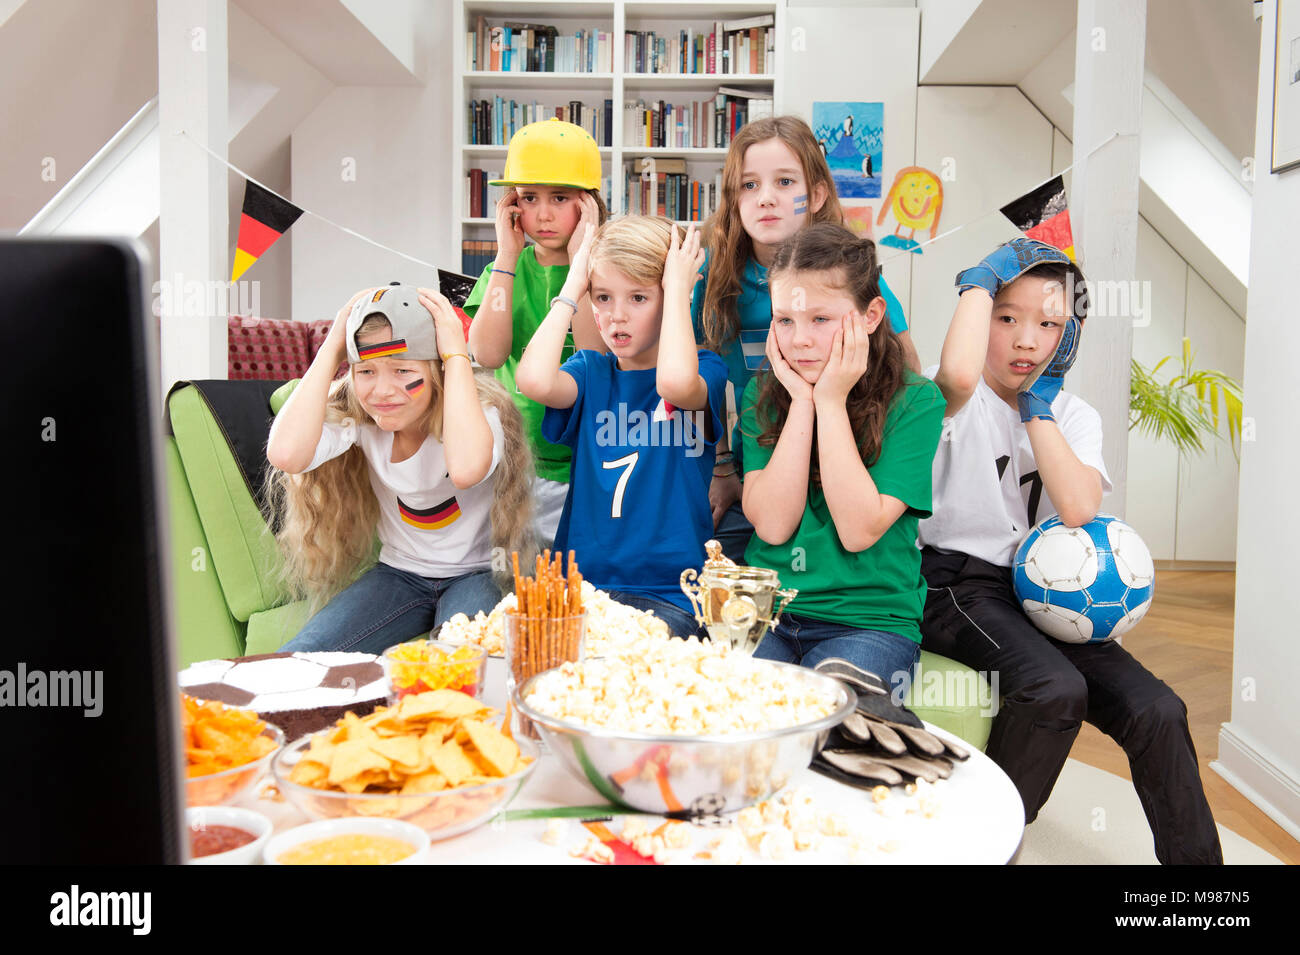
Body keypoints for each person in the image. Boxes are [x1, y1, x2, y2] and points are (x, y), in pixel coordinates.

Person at [917, 237, 1223, 864]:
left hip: (1044, 592)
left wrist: (1039, 409)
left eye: (1049, 324)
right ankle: (979, 847)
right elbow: (955, 372)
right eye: (1007, 318)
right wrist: (979, 283)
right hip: (955, 584)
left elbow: (1080, 507)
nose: (1026, 340)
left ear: (1070, 336)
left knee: (1158, 708)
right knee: (1053, 687)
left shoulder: (1072, 414)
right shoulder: (953, 398)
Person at [692, 115, 921, 564]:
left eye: (784, 182)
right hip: (759, 463)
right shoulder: (712, 274)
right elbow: (702, 381)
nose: (766, 199)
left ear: (816, 195)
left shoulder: (851, 274)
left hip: (849, 462)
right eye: (750, 186)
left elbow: (906, 369)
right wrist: (721, 467)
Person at [266, 284, 536, 653]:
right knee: (294, 660)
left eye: (402, 370)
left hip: (477, 574)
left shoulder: (474, 413)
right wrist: (331, 350)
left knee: (458, 668)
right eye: (367, 371)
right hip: (399, 575)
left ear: (438, 370)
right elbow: (286, 454)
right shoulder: (361, 421)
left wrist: (456, 355)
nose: (383, 390)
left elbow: (466, 470)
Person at [740, 222, 945, 684]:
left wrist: (830, 401)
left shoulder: (916, 401)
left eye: (821, 319)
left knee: (835, 717)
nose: (800, 340)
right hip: (767, 611)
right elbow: (773, 526)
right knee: (742, 714)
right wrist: (803, 403)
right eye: (785, 321)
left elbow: (857, 531)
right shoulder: (764, 394)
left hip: (867, 621)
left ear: (871, 316)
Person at [516, 218, 728, 638]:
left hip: (671, 592)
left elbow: (673, 383)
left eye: (638, 297)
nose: (616, 316)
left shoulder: (706, 370)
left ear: (672, 297)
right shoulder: (591, 372)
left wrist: (679, 296)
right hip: (580, 590)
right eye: (602, 297)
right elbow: (534, 380)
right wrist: (572, 284)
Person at [463, 119, 609, 546]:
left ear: (588, 206)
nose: (542, 214)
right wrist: (507, 255)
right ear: (512, 205)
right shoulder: (502, 271)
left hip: (586, 456)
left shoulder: (609, 272)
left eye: (559, 198)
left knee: (579, 580)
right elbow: (487, 354)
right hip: (517, 458)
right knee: (520, 577)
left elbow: (594, 355)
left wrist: (582, 261)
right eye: (529, 198)